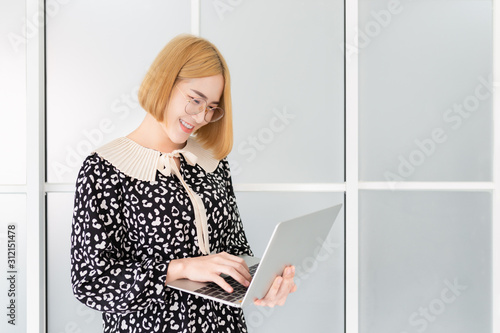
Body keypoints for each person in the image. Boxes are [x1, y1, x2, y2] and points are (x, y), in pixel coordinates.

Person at [70, 34, 297, 333]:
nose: (202, 117)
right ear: (165, 82)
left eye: (212, 107)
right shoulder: (104, 168)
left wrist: (263, 281)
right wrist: (180, 268)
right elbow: (91, 283)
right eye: (195, 100)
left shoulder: (212, 162)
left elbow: (235, 249)